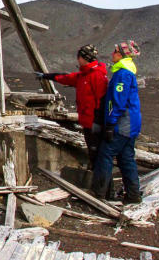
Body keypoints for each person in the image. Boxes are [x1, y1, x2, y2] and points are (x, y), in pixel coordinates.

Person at [36, 44, 109, 173]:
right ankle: (98, 182)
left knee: (97, 152)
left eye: (79, 56)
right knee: (93, 152)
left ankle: (103, 187)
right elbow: (66, 78)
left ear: (84, 58)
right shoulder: (84, 75)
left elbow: (101, 99)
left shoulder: (96, 76)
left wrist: (98, 121)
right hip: (88, 121)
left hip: (94, 121)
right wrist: (46, 76)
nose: (77, 59)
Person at [91, 40, 143, 204]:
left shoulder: (122, 74)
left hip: (123, 124)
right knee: (126, 158)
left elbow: (118, 101)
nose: (112, 54)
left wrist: (111, 123)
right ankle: (133, 195)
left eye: (115, 51)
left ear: (121, 55)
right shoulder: (127, 72)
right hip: (132, 124)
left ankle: (99, 193)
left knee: (105, 154)